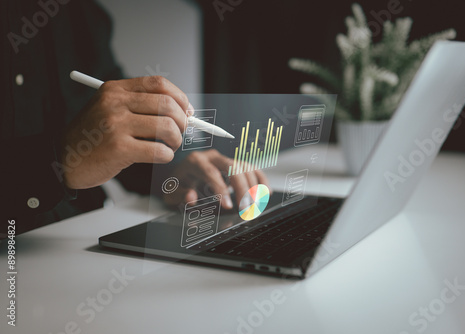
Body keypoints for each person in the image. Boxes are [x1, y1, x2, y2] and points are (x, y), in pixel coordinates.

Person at [2, 0, 268, 235]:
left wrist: (175, 167)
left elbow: (116, 126)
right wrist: (60, 162)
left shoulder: (81, 14)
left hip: (82, 239)